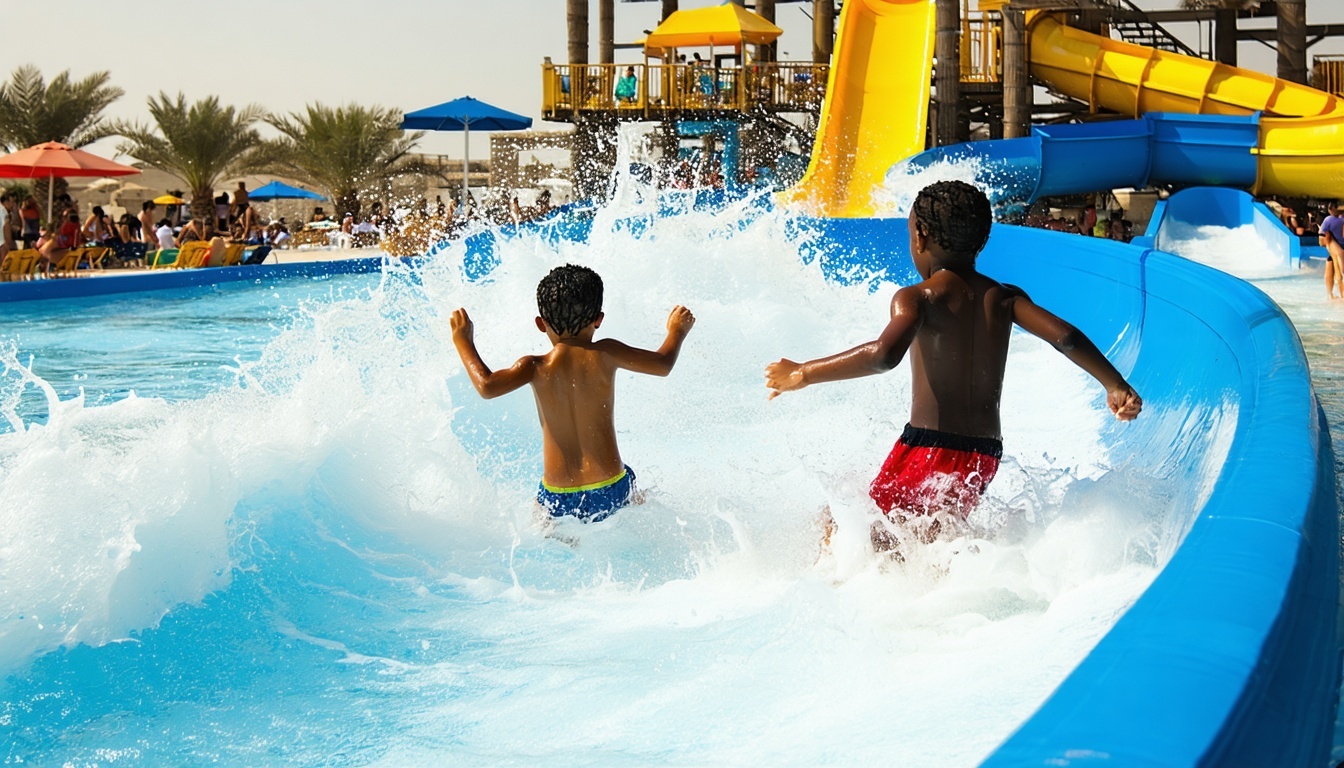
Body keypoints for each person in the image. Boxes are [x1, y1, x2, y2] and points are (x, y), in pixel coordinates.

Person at [764, 180, 1143, 548]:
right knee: (926, 541)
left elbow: (883, 355)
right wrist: (1115, 384)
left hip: (928, 448)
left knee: (851, 526)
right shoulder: (1005, 297)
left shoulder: (918, 298)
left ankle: (834, 582)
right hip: (984, 453)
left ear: (920, 236)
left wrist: (803, 372)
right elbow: (1066, 337)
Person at [450, 264, 696, 523]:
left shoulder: (535, 366)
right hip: (610, 485)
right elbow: (663, 364)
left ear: (540, 324)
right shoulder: (607, 353)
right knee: (634, 496)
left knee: (543, 519)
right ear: (598, 319)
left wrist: (463, 341)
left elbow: (487, 386)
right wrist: (677, 331)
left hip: (558, 496)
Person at [1319, 201, 1344, 299]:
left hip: (1335, 246)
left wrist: (1329, 244)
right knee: (1334, 265)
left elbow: (1321, 241)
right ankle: (1335, 294)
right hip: (1336, 246)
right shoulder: (1331, 220)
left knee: (1333, 265)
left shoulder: (1329, 220)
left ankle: (1331, 294)